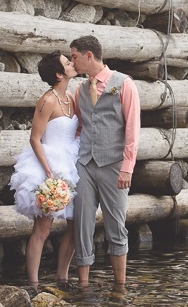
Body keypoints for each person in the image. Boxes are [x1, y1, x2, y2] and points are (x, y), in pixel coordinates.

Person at [69, 35, 140, 287]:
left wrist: (127, 168)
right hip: (85, 164)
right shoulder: (79, 90)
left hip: (114, 166)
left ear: (89, 56)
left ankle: (120, 287)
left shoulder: (124, 84)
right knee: (82, 222)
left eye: (74, 57)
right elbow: (79, 128)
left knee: (116, 225)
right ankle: (83, 287)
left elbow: (132, 130)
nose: (72, 62)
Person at [9, 51, 80, 286]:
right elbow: (35, 138)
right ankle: (34, 284)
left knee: (74, 224)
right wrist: (48, 171)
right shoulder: (47, 100)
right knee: (43, 228)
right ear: (59, 74)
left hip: (71, 163)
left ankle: (62, 276)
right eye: (67, 63)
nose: (72, 64)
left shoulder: (71, 96)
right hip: (48, 164)